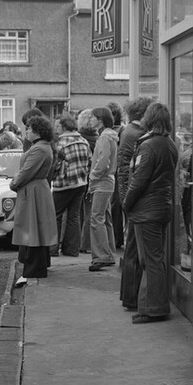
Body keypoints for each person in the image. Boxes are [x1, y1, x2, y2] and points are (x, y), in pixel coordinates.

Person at [123, 102, 178, 323]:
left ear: (149, 119)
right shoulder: (170, 144)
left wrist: (126, 203)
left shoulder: (148, 146)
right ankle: (152, 306)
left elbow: (139, 180)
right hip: (161, 207)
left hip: (146, 210)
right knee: (155, 258)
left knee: (150, 260)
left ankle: (153, 309)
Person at [10, 115, 58, 285]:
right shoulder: (41, 147)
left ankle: (33, 270)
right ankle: (37, 266)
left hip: (34, 191)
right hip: (35, 190)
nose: (26, 131)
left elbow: (26, 171)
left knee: (33, 230)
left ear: (37, 131)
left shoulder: (39, 149)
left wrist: (13, 183)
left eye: (29, 128)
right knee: (37, 228)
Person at [117, 96, 154, 309]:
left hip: (128, 193)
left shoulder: (129, 131)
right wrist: (127, 200)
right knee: (133, 249)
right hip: (133, 195)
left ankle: (129, 296)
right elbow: (131, 170)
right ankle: (132, 297)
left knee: (131, 247)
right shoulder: (137, 134)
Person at [48, 114, 92, 258]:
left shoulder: (61, 144)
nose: (56, 129)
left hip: (64, 184)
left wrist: (52, 177)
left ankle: (52, 249)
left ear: (64, 127)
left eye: (58, 126)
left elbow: (55, 166)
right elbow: (90, 161)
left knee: (55, 215)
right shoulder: (84, 141)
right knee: (74, 217)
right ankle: (72, 250)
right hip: (81, 183)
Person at [87, 107, 120, 271]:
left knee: (96, 219)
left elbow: (103, 162)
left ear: (100, 119)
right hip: (107, 182)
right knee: (105, 219)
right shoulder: (109, 136)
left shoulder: (104, 137)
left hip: (102, 182)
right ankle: (108, 253)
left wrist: (92, 176)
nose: (90, 120)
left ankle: (102, 256)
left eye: (93, 117)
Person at [77, 108, 100, 253]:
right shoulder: (98, 139)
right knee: (89, 212)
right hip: (93, 179)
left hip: (79, 179)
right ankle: (86, 244)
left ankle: (77, 243)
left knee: (77, 213)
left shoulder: (79, 138)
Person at [107, 101, 126, 249]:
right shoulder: (120, 130)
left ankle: (116, 238)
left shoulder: (119, 132)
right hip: (115, 171)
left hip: (116, 172)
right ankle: (116, 238)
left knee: (116, 205)